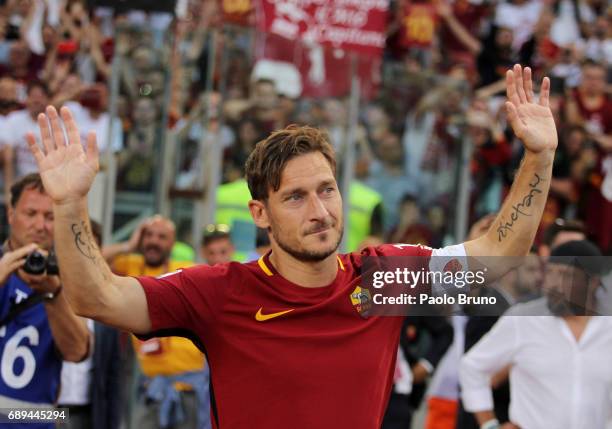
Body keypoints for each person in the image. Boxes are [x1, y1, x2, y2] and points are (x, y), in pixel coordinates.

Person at [29, 65, 557, 428]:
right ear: (260, 213)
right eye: (297, 197)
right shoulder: (219, 292)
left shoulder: (385, 279)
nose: (321, 212)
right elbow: (96, 298)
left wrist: (539, 155)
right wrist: (70, 204)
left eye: (327, 190)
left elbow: (499, 255)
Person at [460, 240, 612, 429]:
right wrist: (490, 425)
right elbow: (472, 367)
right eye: (550, 272)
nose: (554, 285)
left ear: (593, 282)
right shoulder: (523, 320)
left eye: (566, 275)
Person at [103, 215, 211, 429]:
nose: (154, 241)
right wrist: (129, 245)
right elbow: (91, 263)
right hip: (151, 388)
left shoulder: (185, 269)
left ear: (172, 243)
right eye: (149, 235)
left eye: (162, 237)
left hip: (189, 388)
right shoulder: (130, 267)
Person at [0, 174, 89, 428]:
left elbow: (78, 352)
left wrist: (54, 294)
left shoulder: (69, 281)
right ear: (10, 215)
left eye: (50, 217)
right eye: (30, 213)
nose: (40, 225)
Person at [57, 220, 122, 429]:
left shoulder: (109, 310)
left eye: (89, 248)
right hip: (43, 411)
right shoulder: (43, 295)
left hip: (88, 414)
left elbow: (113, 378)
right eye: (75, 247)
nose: (81, 257)